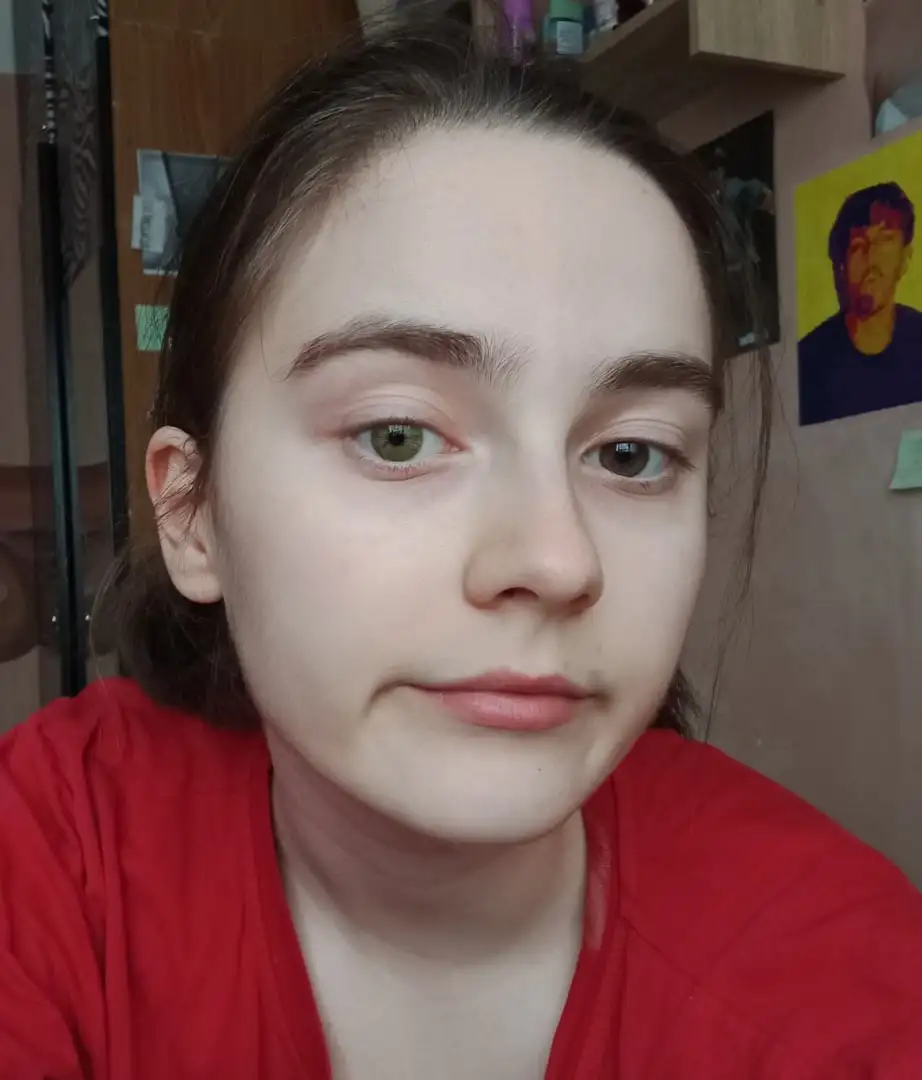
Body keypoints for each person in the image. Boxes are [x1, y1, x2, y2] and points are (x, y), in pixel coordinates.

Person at [1, 17, 921, 1080]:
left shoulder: (846, 980)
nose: (559, 561)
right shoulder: (59, 849)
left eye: (630, 454)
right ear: (191, 514)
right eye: (398, 435)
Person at [799, 180, 922, 425]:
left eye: (884, 241)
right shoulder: (808, 362)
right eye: (858, 245)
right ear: (841, 264)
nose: (871, 258)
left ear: (905, 258)